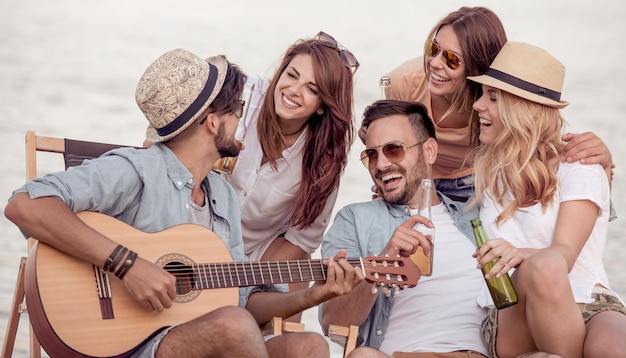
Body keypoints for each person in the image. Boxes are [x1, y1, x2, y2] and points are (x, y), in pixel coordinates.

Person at [4, 48, 363, 358]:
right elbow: (24, 204)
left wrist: (318, 293)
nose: (243, 124)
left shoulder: (221, 197)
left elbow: (243, 302)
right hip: (130, 342)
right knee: (234, 326)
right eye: (237, 112)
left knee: (310, 346)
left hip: (195, 333)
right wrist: (127, 265)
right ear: (211, 122)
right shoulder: (138, 170)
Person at [468, 42, 626, 358]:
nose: (477, 106)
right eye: (482, 94)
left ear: (521, 109)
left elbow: (564, 254)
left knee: (614, 348)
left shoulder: (581, 164)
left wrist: (518, 252)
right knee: (545, 266)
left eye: (492, 98)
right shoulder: (489, 170)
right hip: (514, 309)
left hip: (590, 302)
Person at [372, 6, 613, 202]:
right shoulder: (402, 82)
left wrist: (600, 161)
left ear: (477, 66)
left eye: (451, 59)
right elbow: (388, 148)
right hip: (423, 185)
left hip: (481, 182)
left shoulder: (494, 99)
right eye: (433, 49)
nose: (434, 63)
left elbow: (533, 140)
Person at [321, 99, 489, 357]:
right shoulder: (355, 220)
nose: (381, 165)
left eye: (394, 150)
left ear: (429, 151)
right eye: (372, 155)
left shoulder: (478, 214)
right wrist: (383, 263)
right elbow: (335, 324)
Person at [222, 31, 357, 319]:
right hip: (186, 235)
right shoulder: (241, 98)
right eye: (291, 75)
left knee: (293, 280)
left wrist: (239, 282)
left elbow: (300, 241)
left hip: (251, 259)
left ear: (323, 105)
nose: (294, 90)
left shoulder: (323, 161)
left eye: (312, 88)